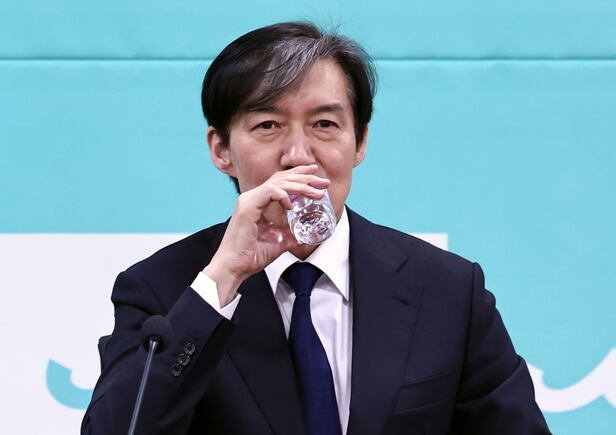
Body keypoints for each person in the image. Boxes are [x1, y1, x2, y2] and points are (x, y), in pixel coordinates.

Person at [81, 21, 551, 435]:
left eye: (324, 124)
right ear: (221, 150)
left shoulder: (447, 290)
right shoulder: (163, 290)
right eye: (268, 125)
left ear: (359, 141)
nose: (298, 156)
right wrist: (221, 281)